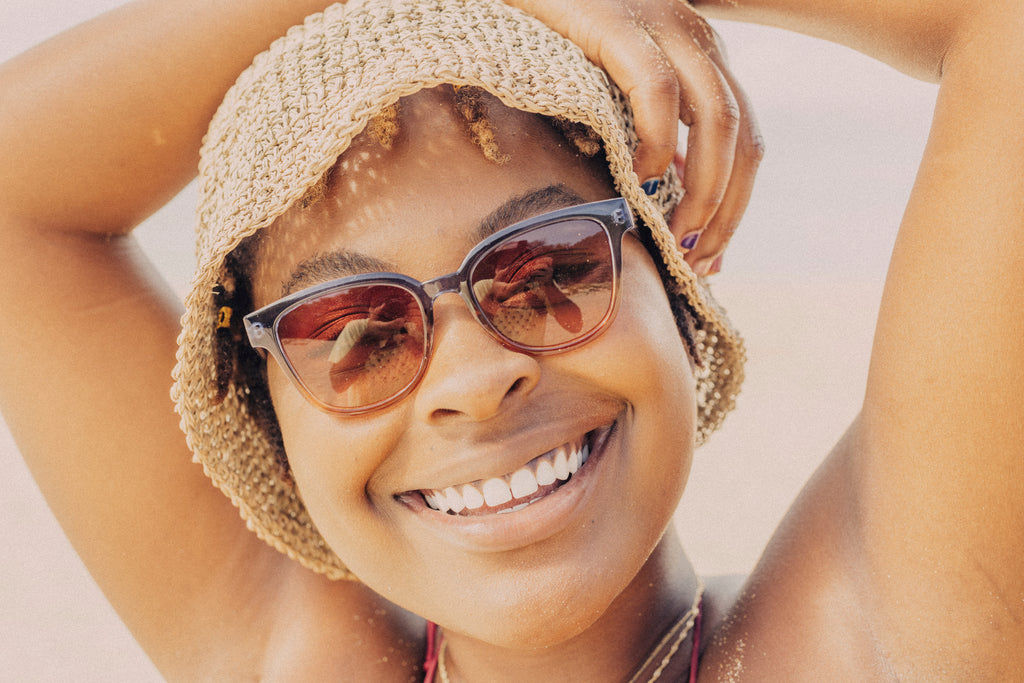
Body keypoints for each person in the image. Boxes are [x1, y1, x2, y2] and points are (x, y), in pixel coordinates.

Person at [1, 1, 1021, 682]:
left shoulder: (868, 638)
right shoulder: (301, 651)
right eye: (356, 333)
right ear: (271, 426)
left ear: (673, 278)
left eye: (545, 272)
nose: (476, 382)